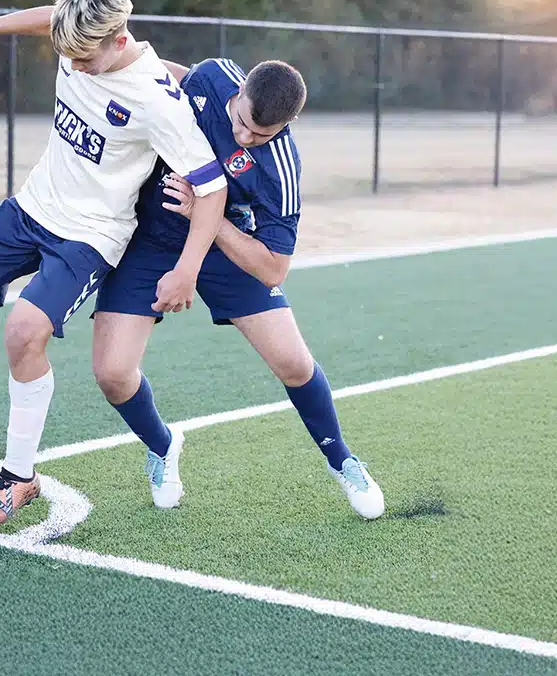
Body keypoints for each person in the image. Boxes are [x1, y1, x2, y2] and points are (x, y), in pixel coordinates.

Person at [0, 0, 229, 529]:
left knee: (24, 332)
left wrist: (187, 270)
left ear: (120, 40)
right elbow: (50, 14)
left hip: (89, 236)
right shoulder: (78, 34)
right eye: (66, 54)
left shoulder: (156, 101)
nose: (74, 66)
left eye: (85, 59)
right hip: (31, 208)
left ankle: (19, 477)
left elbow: (212, 188)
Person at [91, 56, 386, 520]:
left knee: (293, 362)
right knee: (112, 373)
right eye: (243, 123)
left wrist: (207, 217)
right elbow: (162, 70)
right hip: (150, 238)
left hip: (225, 247)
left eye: (261, 134)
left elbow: (274, 269)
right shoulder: (212, 76)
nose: (246, 137)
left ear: (287, 125)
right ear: (241, 89)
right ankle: (162, 445)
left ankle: (342, 459)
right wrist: (110, 62)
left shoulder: (280, 168)